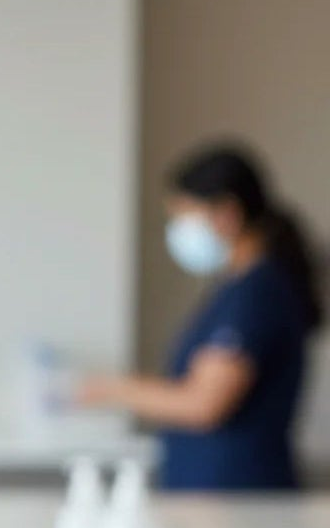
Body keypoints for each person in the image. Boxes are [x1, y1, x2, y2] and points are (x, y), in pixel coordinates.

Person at [78, 142, 324, 490]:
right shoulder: (236, 286)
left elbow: (204, 403)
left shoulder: (258, 292)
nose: (178, 230)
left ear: (226, 213)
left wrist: (110, 390)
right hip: (212, 497)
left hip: (237, 498)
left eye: (184, 215)